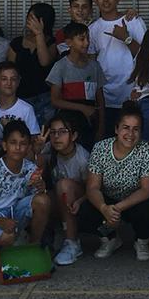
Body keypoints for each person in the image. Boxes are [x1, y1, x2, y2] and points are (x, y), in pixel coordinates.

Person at [0, 120, 52, 271]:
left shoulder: (30, 168)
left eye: (23, 143)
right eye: (13, 143)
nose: (18, 147)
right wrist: (1, 222)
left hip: (13, 214)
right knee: (7, 237)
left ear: (28, 147)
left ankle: (32, 248)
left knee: (44, 201)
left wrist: (41, 188)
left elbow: (37, 202)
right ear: (5, 145)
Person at [79, 104, 149, 260]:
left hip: (134, 200)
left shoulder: (145, 149)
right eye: (126, 128)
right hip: (108, 198)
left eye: (136, 129)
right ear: (116, 129)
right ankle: (110, 239)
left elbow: (146, 190)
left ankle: (141, 241)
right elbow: (93, 187)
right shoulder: (101, 148)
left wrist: (116, 209)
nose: (130, 133)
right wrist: (104, 208)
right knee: (86, 210)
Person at [88, 0, 146, 131]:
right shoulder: (93, 28)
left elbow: (146, 56)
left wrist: (126, 38)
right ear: (95, 0)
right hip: (104, 98)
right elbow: (91, 63)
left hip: (132, 95)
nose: (105, 0)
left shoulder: (133, 21)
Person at [43, 110, 91, 266]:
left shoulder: (82, 159)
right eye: (53, 132)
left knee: (64, 185)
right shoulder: (48, 149)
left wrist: (81, 200)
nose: (57, 137)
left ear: (74, 136)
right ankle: (40, 240)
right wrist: (36, 151)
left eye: (63, 132)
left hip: (81, 202)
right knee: (39, 199)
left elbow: (93, 188)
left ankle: (72, 242)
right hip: (60, 200)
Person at [46, 22, 105, 142]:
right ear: (69, 42)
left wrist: (101, 128)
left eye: (88, 38)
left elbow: (100, 100)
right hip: (67, 125)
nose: (87, 43)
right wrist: (82, 108)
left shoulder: (95, 66)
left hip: (90, 125)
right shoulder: (60, 66)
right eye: (81, 39)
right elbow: (55, 100)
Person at [12, 2, 58, 124]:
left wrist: (39, 34)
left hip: (45, 97)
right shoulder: (16, 43)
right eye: (29, 17)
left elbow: (45, 61)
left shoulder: (52, 43)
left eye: (33, 18)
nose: (29, 21)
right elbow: (10, 70)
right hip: (21, 97)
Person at [0, 62, 41, 147]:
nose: (9, 83)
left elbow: (33, 140)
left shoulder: (27, 109)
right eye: (4, 79)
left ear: (18, 81)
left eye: (13, 79)